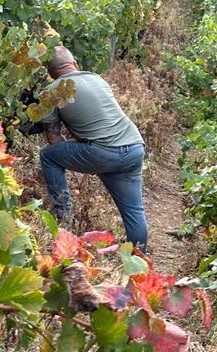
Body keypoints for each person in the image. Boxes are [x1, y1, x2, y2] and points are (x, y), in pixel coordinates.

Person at [36, 46, 148, 251]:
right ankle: (140, 259)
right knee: (134, 212)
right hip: (134, 147)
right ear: (75, 63)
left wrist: (73, 149)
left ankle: (63, 216)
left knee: (48, 156)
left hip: (102, 152)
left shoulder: (51, 92)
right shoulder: (97, 79)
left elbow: (53, 140)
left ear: (50, 73)